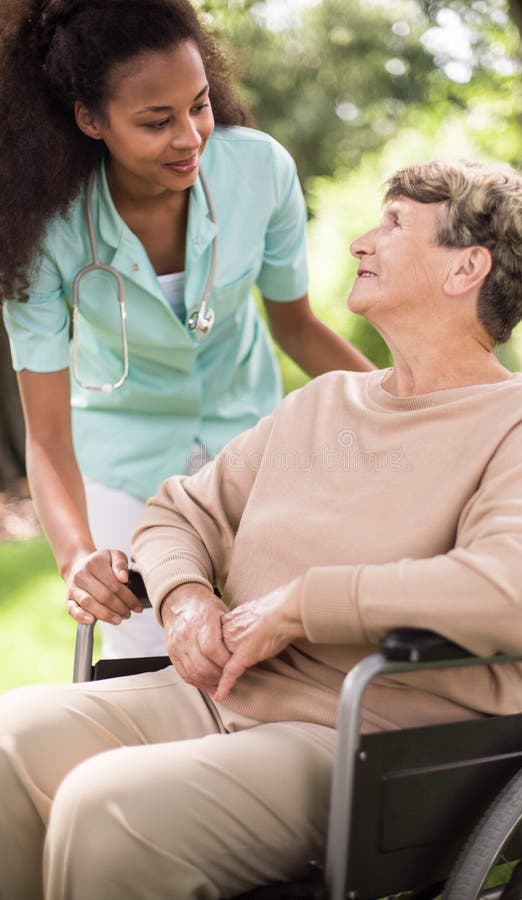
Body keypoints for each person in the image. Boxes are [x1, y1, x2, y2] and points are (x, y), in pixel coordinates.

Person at [0, 160, 522, 900]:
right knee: (7, 739)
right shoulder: (325, 403)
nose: (360, 243)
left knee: (107, 808)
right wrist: (184, 598)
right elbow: (180, 511)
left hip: (373, 739)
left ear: (466, 267)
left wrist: (304, 605)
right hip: (218, 694)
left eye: (395, 224)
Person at [0, 0, 373, 660]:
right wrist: (78, 556)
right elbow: (50, 436)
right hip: (123, 466)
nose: (191, 136)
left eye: (198, 105)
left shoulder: (259, 171)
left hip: (250, 448)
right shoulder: (44, 234)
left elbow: (299, 328)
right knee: (152, 670)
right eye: (156, 121)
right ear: (91, 119)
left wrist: (418, 406)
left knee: (278, 659)